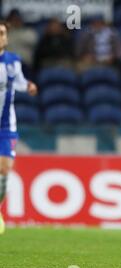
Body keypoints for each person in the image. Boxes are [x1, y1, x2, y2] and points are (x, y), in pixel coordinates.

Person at [0, 21, 38, 234]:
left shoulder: (13, 62)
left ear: (6, 38)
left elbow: (20, 82)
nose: (0, 36)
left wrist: (29, 86)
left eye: (2, 33)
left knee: (5, 169)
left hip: (6, 125)